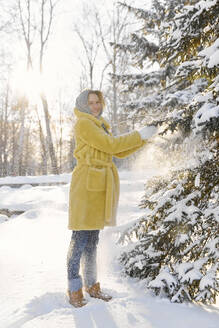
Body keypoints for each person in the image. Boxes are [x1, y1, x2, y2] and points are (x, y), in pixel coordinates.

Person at [67, 89, 157, 307]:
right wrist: (139, 135)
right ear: (83, 105)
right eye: (91, 102)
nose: (96, 106)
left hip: (97, 188)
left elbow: (117, 152)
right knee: (79, 239)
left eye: (98, 102)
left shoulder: (100, 124)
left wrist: (143, 139)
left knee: (92, 242)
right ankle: (74, 289)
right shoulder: (84, 124)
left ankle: (92, 285)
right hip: (85, 187)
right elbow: (112, 145)